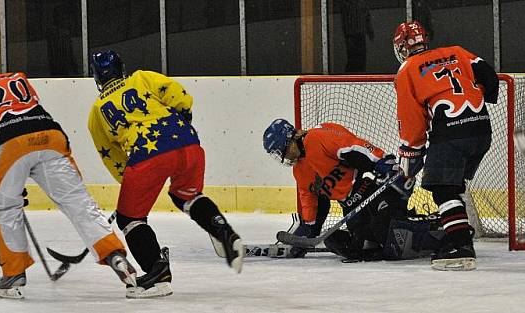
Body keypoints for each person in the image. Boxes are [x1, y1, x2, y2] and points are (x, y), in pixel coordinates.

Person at [0, 54, 137, 299]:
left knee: (6, 210)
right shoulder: (16, 77)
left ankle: (14, 275)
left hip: (7, 146)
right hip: (51, 136)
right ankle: (116, 256)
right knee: (80, 204)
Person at [87, 50, 243, 298]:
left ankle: (157, 276)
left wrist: (131, 182)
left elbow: (113, 158)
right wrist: (181, 121)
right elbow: (182, 98)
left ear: (96, 77)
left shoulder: (97, 111)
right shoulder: (142, 78)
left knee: (130, 219)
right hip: (188, 142)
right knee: (186, 195)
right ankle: (222, 231)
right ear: (122, 68)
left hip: (148, 156)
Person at [392, 20, 500, 271]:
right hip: (481, 129)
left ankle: (460, 244)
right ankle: (457, 226)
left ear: (402, 48)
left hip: (452, 133)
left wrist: (411, 153)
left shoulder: (408, 69)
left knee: (442, 188)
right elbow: (489, 76)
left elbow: (412, 121)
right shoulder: (457, 52)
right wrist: (473, 97)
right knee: (451, 185)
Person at [263, 119, 442, 261]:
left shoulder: (317, 138)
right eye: (279, 155)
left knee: (386, 232)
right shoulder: (299, 171)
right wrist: (307, 231)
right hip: (351, 206)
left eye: (283, 151)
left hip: (370, 188)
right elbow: (310, 200)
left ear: (292, 138)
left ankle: (434, 228)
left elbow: (355, 147)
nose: (284, 157)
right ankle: (388, 241)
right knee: (350, 244)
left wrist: (384, 165)